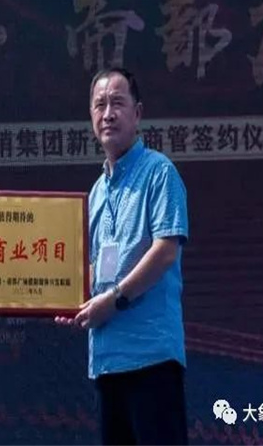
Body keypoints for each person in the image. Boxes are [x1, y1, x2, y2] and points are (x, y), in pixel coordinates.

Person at [55, 67, 189, 445]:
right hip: (107, 360)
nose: (108, 114)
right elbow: (94, 268)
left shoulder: (159, 173)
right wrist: (68, 297)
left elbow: (165, 251)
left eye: (117, 103)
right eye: (99, 105)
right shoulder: (97, 191)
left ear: (138, 113)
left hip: (152, 358)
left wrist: (113, 300)